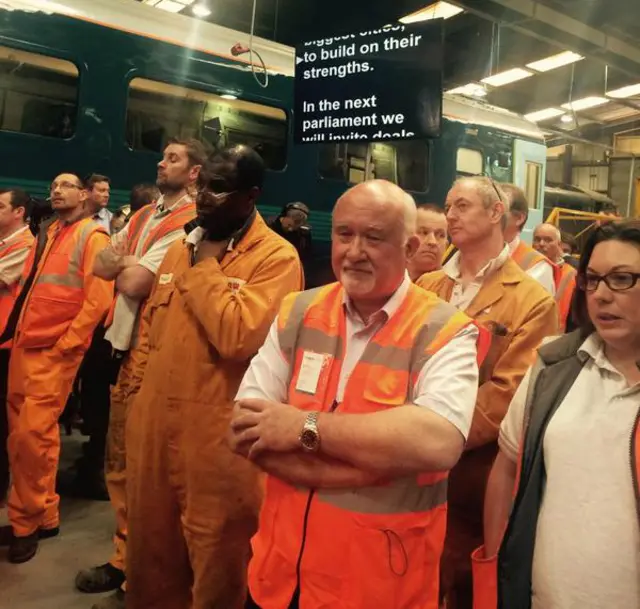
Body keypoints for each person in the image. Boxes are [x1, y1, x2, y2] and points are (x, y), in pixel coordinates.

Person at [230, 180, 489, 609]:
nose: (354, 251)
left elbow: (437, 441)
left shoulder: (446, 330)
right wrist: (375, 464)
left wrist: (302, 426)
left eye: (374, 237)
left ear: (408, 249)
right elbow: (242, 430)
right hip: (279, 579)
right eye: (344, 234)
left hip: (376, 587)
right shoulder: (298, 311)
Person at [125, 145, 303, 609]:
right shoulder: (181, 248)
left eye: (219, 188)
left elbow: (239, 336)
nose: (203, 196)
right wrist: (136, 402)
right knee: (150, 558)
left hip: (219, 448)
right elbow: (150, 333)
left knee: (217, 566)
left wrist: (206, 266)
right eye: (201, 184)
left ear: (251, 196)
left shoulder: (275, 258)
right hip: (153, 436)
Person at [474, 219, 640, 609]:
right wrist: (498, 567)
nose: (601, 294)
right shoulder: (553, 366)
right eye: (593, 279)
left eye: (621, 279)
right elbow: (505, 467)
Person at [416, 176, 558, 609]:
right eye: (447, 205)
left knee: (460, 582)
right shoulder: (427, 288)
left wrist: (430, 435)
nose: (450, 215)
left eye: (461, 205)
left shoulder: (532, 301)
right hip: (406, 470)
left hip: (471, 482)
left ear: (496, 213)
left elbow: (509, 394)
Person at [75, 139, 206, 609]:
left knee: (142, 469)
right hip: (122, 345)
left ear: (194, 174)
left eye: (173, 158)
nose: (161, 162)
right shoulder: (147, 214)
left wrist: (124, 261)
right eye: (164, 156)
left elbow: (130, 279)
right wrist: (125, 261)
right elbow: (101, 263)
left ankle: (140, 573)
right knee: (120, 461)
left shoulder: (188, 221)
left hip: (150, 349)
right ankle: (124, 556)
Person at [1, 173, 113, 563]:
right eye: (53, 185)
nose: (56, 189)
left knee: (32, 437)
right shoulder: (49, 232)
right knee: (24, 439)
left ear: (83, 195)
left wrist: (68, 346)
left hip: (52, 352)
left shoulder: (92, 236)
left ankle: (26, 524)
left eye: (66, 184)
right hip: (24, 347)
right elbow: (30, 288)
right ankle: (42, 514)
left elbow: (98, 301)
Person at [0, 188, 34, 502]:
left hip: (5, 343)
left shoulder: (25, 245)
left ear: (18, 212)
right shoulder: (4, 243)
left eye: (0, 207)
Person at [501, 183, 555, 295]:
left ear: (519, 218)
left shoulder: (537, 266)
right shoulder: (469, 255)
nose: (489, 215)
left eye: (499, 209)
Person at [533, 223, 577, 332]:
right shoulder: (525, 269)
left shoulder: (570, 274)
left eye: (548, 240)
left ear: (559, 245)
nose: (541, 244)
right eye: (537, 239)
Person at [407, 204, 448, 281]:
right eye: (424, 232)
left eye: (440, 235)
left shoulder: (453, 288)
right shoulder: (384, 281)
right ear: (406, 238)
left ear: (446, 246)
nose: (432, 242)